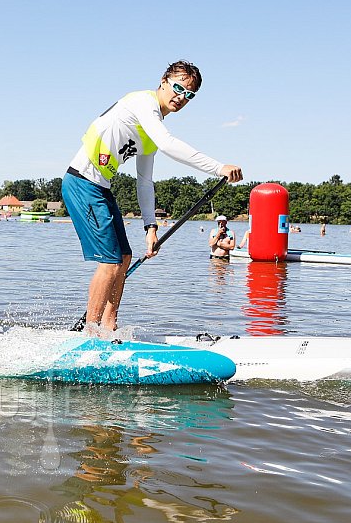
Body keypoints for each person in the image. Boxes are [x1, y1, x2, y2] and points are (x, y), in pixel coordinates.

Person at [61, 61, 243, 334]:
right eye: (178, 88)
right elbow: (169, 143)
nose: (181, 97)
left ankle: (109, 327)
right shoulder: (142, 103)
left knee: (123, 257)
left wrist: (151, 227)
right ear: (163, 80)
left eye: (189, 95)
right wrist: (218, 167)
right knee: (110, 262)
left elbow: (145, 181)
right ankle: (89, 332)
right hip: (81, 182)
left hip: (101, 188)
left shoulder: (150, 133)